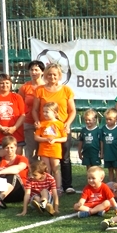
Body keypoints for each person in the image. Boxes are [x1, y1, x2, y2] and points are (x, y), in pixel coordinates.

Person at [33, 63, 76, 194]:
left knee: (65, 157)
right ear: (45, 75)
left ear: (59, 76)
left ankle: (67, 185)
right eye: (49, 74)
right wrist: (37, 121)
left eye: (55, 75)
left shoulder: (66, 90)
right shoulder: (40, 90)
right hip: (45, 129)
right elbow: (34, 110)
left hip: (62, 128)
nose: (52, 77)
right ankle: (47, 185)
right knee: (46, 159)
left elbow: (72, 111)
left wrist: (67, 123)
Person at [34, 101, 67, 192]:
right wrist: (46, 139)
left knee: (55, 169)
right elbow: (36, 137)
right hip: (44, 150)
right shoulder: (42, 124)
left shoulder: (60, 124)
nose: (44, 114)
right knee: (46, 170)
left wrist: (55, 140)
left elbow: (64, 138)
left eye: (47, 112)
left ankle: (58, 188)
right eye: (43, 112)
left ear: (55, 113)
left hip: (55, 150)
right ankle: (47, 187)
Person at [19, 61, 45, 162]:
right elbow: (19, 105)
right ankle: (31, 171)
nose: (33, 72)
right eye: (31, 70)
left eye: (36, 70)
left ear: (42, 72)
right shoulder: (24, 87)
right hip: (29, 123)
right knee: (30, 153)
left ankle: (45, 172)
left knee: (45, 153)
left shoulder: (47, 87)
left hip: (45, 123)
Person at [101, 108, 117, 183]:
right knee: (109, 168)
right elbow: (102, 141)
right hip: (107, 152)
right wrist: (102, 153)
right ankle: (111, 183)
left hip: (115, 152)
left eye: (110, 119)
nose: (108, 121)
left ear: (116, 119)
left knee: (116, 168)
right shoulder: (103, 129)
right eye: (107, 119)